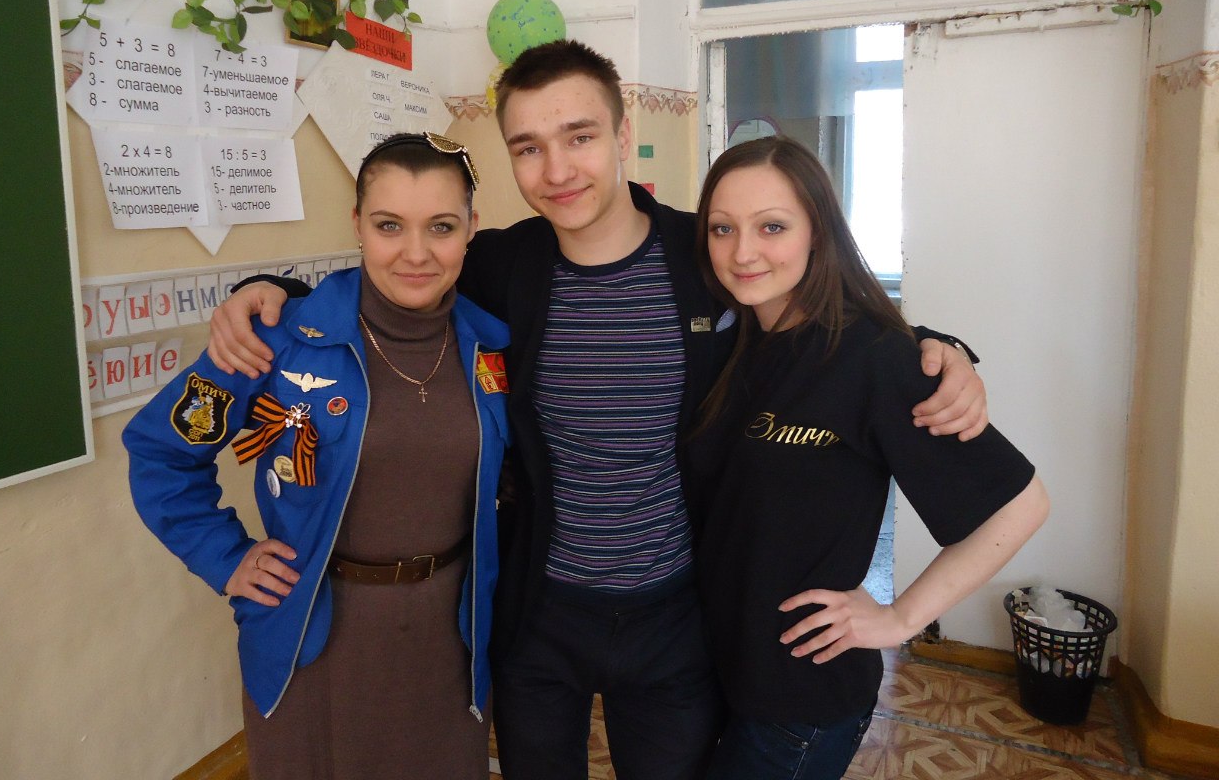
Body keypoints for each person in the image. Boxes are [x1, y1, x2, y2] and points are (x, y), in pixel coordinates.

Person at [204, 40, 991, 780]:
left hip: (676, 617)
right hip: (540, 615)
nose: (556, 170)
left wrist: (931, 346)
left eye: (578, 137)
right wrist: (270, 291)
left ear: (622, 134)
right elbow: (392, 277)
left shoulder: (708, 256)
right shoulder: (501, 265)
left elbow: (812, 314)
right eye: (527, 148)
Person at [124, 134, 510, 780]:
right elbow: (159, 451)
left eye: (441, 227)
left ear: (472, 228)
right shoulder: (277, 339)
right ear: (357, 224)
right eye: (389, 225)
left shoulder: (490, 345)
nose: (416, 252)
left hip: (448, 642)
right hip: (312, 636)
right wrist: (226, 558)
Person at [686, 136, 1049, 780]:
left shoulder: (875, 357)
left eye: (772, 226)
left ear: (818, 232)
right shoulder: (735, 340)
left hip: (801, 699)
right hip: (722, 670)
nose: (742, 252)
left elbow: (1021, 505)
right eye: (723, 228)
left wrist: (900, 618)